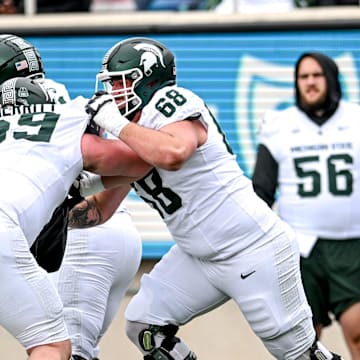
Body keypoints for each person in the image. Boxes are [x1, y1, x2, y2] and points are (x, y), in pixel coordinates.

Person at [68, 36, 344, 360]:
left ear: (148, 80)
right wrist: (55, 219)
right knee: (144, 325)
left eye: (122, 82)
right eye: (112, 84)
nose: (114, 92)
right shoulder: (130, 131)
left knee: (300, 355)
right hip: (197, 256)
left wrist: (113, 122)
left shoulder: (171, 101)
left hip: (251, 248)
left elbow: (173, 153)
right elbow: (101, 209)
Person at [0, 33, 147, 360]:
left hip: (77, 235)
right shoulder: (64, 99)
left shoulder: (22, 109)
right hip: (110, 224)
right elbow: (125, 163)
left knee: (61, 347)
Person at [252, 52, 360, 360]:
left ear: (331, 78)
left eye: (317, 75)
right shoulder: (279, 124)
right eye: (303, 77)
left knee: (358, 331)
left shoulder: (356, 119)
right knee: (302, 342)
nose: (310, 83)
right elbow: (262, 189)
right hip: (299, 247)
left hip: (352, 244)